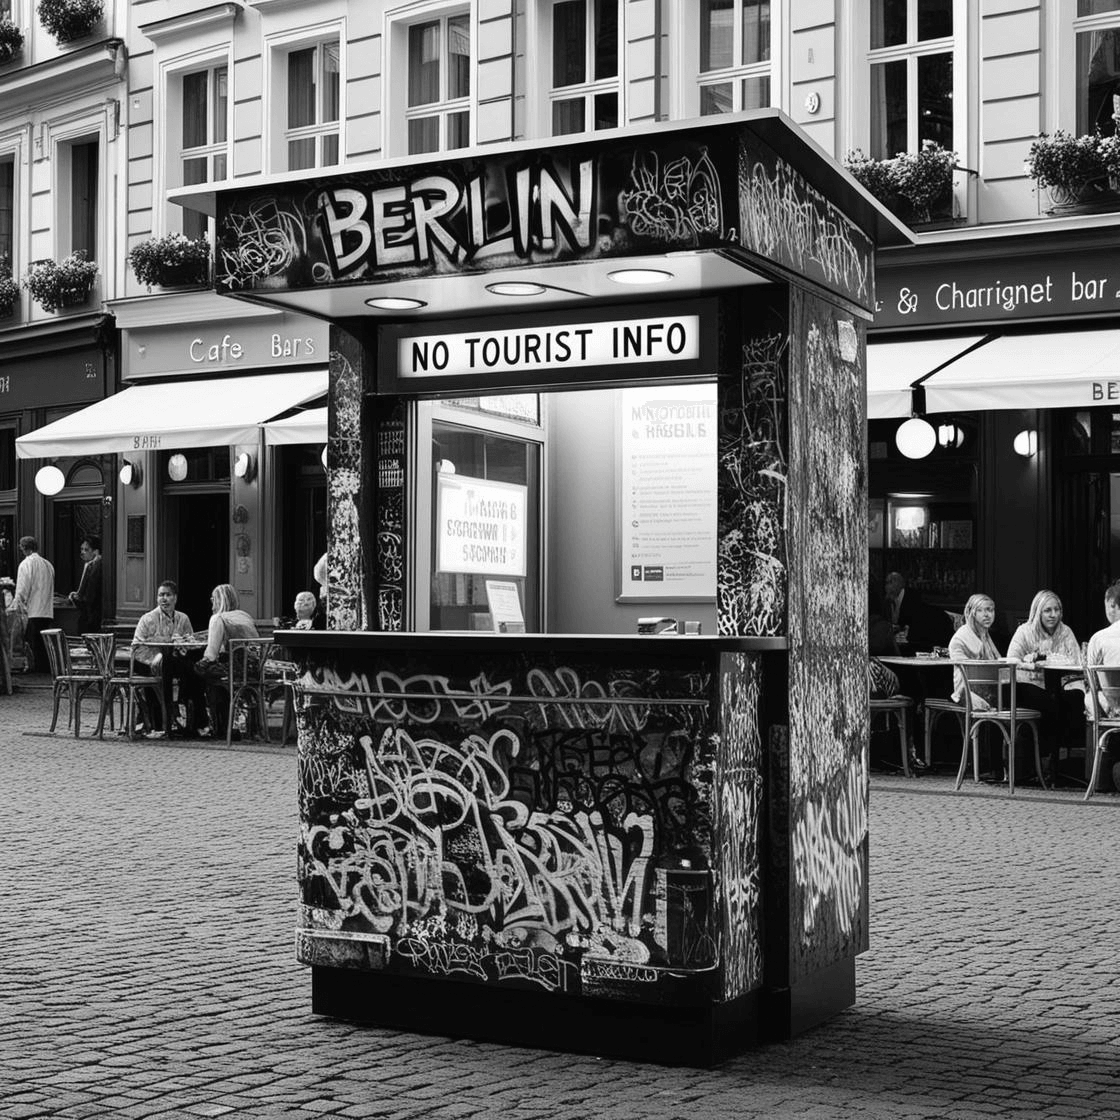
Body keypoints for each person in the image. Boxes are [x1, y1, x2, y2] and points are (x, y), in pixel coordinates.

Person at [1007, 590, 1085, 767]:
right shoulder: (1024, 631)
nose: (1053, 615)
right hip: (1028, 683)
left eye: (1057, 610)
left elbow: (1077, 661)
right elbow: (1011, 659)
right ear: (1038, 612)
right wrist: (1029, 663)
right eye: (1047, 610)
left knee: (1075, 700)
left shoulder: (1066, 632)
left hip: (1059, 683)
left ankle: (1063, 760)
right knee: (1049, 703)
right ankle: (1044, 758)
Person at [132, 580, 209, 736]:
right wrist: (167, 642)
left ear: (175, 598)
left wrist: (183, 644)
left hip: (173, 660)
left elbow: (190, 643)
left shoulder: (183, 619)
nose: (164, 599)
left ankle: (195, 719)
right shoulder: (147, 619)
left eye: (168, 595)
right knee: (169, 665)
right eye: (161, 595)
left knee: (195, 669)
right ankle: (166, 720)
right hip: (147, 661)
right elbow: (137, 646)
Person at [194, 583, 259, 737]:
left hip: (235, 670)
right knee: (215, 676)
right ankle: (230, 724)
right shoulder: (245, 616)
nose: (211, 604)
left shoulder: (218, 618)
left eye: (212, 600)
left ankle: (209, 723)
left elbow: (211, 654)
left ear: (218, 601)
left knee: (198, 671)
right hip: (254, 669)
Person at [1084, 579, 1120, 791]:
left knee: (1090, 696)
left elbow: (1091, 678)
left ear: (1113, 605)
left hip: (1111, 709)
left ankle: (1099, 779)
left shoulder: (1099, 638)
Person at [883, 571, 953, 654]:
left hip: (924, 641)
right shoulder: (890, 602)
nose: (885, 587)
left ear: (897, 584)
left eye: (888, 583)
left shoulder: (912, 599)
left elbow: (915, 622)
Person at [13, 536, 54, 673]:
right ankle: (45, 668)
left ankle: (36, 671)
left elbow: (22, 589)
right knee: (43, 643)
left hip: (32, 611)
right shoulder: (48, 565)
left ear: (24, 548)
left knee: (33, 643)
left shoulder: (26, 564)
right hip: (47, 611)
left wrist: (16, 605)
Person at [68, 534, 103, 634]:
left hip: (92, 615)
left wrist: (76, 598)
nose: (82, 553)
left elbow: (89, 595)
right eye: (81, 549)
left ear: (95, 552)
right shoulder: (90, 565)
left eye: (86, 550)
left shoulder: (95, 566)